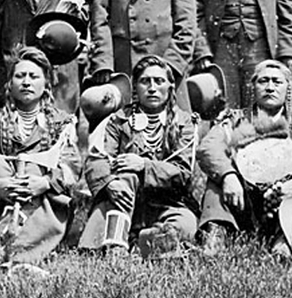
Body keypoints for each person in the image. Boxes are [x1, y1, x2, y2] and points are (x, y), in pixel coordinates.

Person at [196, 60, 292, 255]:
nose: (270, 87)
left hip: (283, 195)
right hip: (242, 197)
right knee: (216, 183)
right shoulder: (233, 119)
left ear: (288, 88)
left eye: (277, 82)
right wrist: (228, 176)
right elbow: (209, 147)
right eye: (263, 81)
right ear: (253, 87)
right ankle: (217, 234)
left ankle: (285, 240)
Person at [0, 47, 81, 266]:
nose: (26, 82)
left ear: (46, 84)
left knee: (33, 166)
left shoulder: (62, 123)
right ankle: (15, 245)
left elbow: (71, 165)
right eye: (20, 76)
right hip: (1, 199)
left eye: (33, 76)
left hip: (46, 200)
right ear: (9, 84)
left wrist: (44, 182)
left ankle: (9, 247)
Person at [78, 56, 200, 256]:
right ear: (135, 87)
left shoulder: (184, 123)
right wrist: (109, 183)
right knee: (126, 175)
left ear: (170, 86)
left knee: (183, 225)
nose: (152, 88)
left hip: (169, 203)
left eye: (159, 81)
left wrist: (144, 164)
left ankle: (144, 241)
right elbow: (97, 159)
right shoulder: (119, 120)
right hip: (122, 199)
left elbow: (183, 171)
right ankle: (116, 246)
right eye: (145, 81)